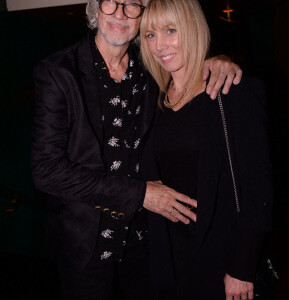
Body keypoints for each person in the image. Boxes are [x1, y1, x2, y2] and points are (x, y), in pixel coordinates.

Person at [31, 0, 243, 299]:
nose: (120, 13)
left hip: (149, 242)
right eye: (111, 2)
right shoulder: (58, 71)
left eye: (133, 4)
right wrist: (141, 194)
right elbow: (46, 172)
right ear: (96, 7)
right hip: (86, 245)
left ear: (144, 16)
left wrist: (218, 60)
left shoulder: (153, 69)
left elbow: (187, 66)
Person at [139, 0, 273, 299]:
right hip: (166, 257)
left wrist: (243, 266)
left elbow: (258, 188)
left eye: (171, 30)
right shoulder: (153, 97)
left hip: (219, 254)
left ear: (193, 28)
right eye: (150, 35)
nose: (160, 45)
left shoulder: (232, 92)